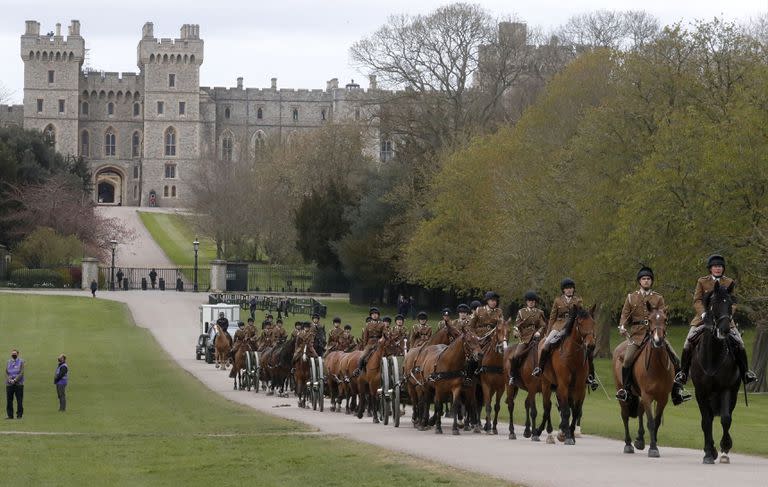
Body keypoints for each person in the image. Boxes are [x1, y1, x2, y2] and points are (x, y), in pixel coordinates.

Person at [676, 254, 757, 387]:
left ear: (723, 268)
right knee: (687, 343)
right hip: (702, 320)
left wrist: (729, 314)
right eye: (715, 266)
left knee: (740, 344)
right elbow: (697, 300)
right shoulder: (702, 281)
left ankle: (746, 373)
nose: (718, 269)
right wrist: (703, 314)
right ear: (710, 268)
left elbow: (734, 302)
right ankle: (683, 374)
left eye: (720, 266)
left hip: (724, 320)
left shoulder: (729, 282)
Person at [615, 268, 690, 404]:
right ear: (639, 281)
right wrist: (622, 326)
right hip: (637, 335)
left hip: (655, 333)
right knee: (627, 360)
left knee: (676, 358)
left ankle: (677, 391)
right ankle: (625, 390)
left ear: (651, 281)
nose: (646, 281)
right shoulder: (631, 297)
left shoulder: (658, 298)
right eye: (644, 279)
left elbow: (663, 314)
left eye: (649, 279)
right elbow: (624, 315)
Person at [533, 279, 597, 391]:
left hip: (572, 327)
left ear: (573, 289)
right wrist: (548, 332)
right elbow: (553, 316)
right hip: (558, 326)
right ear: (563, 290)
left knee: (588, 349)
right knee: (546, 344)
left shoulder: (578, 300)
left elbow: (581, 314)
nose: (569, 290)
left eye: (571, 288)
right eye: (567, 288)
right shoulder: (558, 301)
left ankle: (590, 376)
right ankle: (540, 368)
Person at [509, 291, 547, 386]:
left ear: (535, 302)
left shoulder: (539, 312)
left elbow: (543, 325)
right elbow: (516, 325)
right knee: (516, 355)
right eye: (530, 301)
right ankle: (513, 376)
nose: (531, 303)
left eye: (533, 301)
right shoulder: (521, 312)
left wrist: (539, 332)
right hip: (525, 338)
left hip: (537, 338)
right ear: (526, 302)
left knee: (546, 352)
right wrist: (516, 332)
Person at [357, 307, 386, 373]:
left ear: (378, 315)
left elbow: (384, 334)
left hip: (379, 344)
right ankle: (359, 370)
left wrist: (382, 339)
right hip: (370, 344)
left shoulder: (382, 324)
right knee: (362, 357)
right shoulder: (368, 325)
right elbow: (365, 337)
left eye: (376, 314)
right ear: (371, 316)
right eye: (373, 314)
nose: (374, 315)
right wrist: (365, 346)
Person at [6, 349, 24, 419]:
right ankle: (10, 415)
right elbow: (6, 372)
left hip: (18, 384)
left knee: (19, 400)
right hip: (9, 384)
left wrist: (15, 380)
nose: (13, 355)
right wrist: (9, 380)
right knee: (9, 400)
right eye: (12, 354)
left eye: (15, 354)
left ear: (17, 354)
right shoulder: (8, 362)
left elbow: (21, 373)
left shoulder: (21, 362)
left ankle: (19, 415)